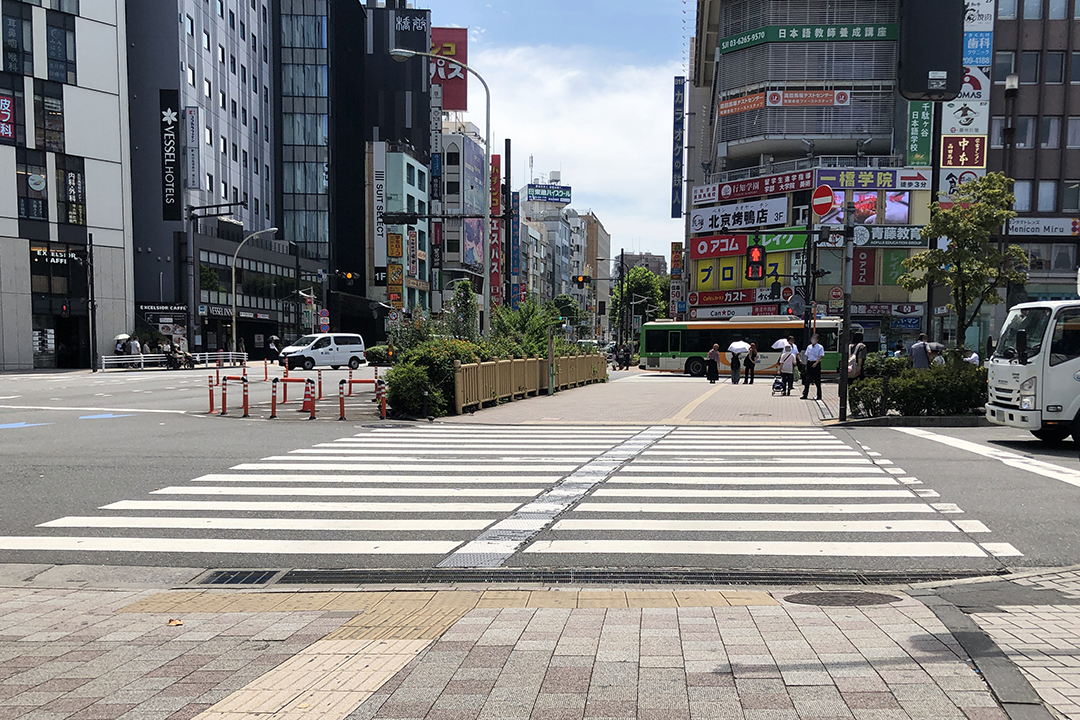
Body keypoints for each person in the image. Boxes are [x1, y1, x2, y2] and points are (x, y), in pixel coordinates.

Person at [801, 333, 824, 400]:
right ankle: (805, 394)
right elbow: (807, 356)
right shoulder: (809, 347)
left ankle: (819, 396)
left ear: (817, 340)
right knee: (807, 380)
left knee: (817, 380)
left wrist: (816, 363)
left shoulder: (820, 347)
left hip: (816, 364)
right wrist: (806, 365)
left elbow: (820, 356)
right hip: (809, 363)